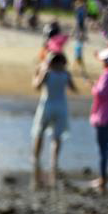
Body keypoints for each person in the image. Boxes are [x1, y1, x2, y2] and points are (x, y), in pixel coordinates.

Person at [31, 52, 77, 186]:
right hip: (61, 106)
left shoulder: (47, 73)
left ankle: (35, 159)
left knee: (39, 133)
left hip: (47, 105)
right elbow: (73, 88)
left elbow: (36, 86)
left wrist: (36, 73)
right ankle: (53, 162)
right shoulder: (65, 74)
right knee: (57, 137)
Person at [89, 47, 108, 191]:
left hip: (104, 116)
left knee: (103, 147)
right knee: (105, 145)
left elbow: (101, 93)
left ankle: (103, 179)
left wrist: (93, 87)